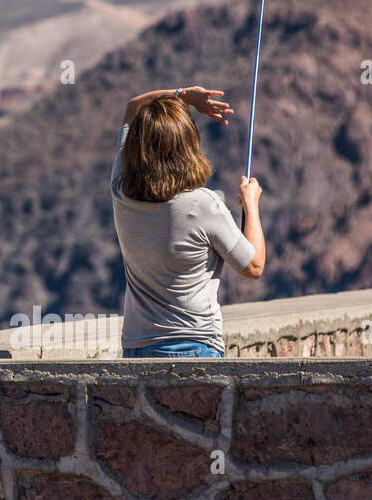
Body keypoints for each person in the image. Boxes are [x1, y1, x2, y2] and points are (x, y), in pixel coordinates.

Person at [112, 86, 265, 358]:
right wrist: (251, 206)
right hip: (194, 347)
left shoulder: (121, 191)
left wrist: (182, 95)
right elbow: (253, 266)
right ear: (188, 146)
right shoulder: (204, 205)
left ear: (137, 145)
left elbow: (133, 108)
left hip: (136, 351)